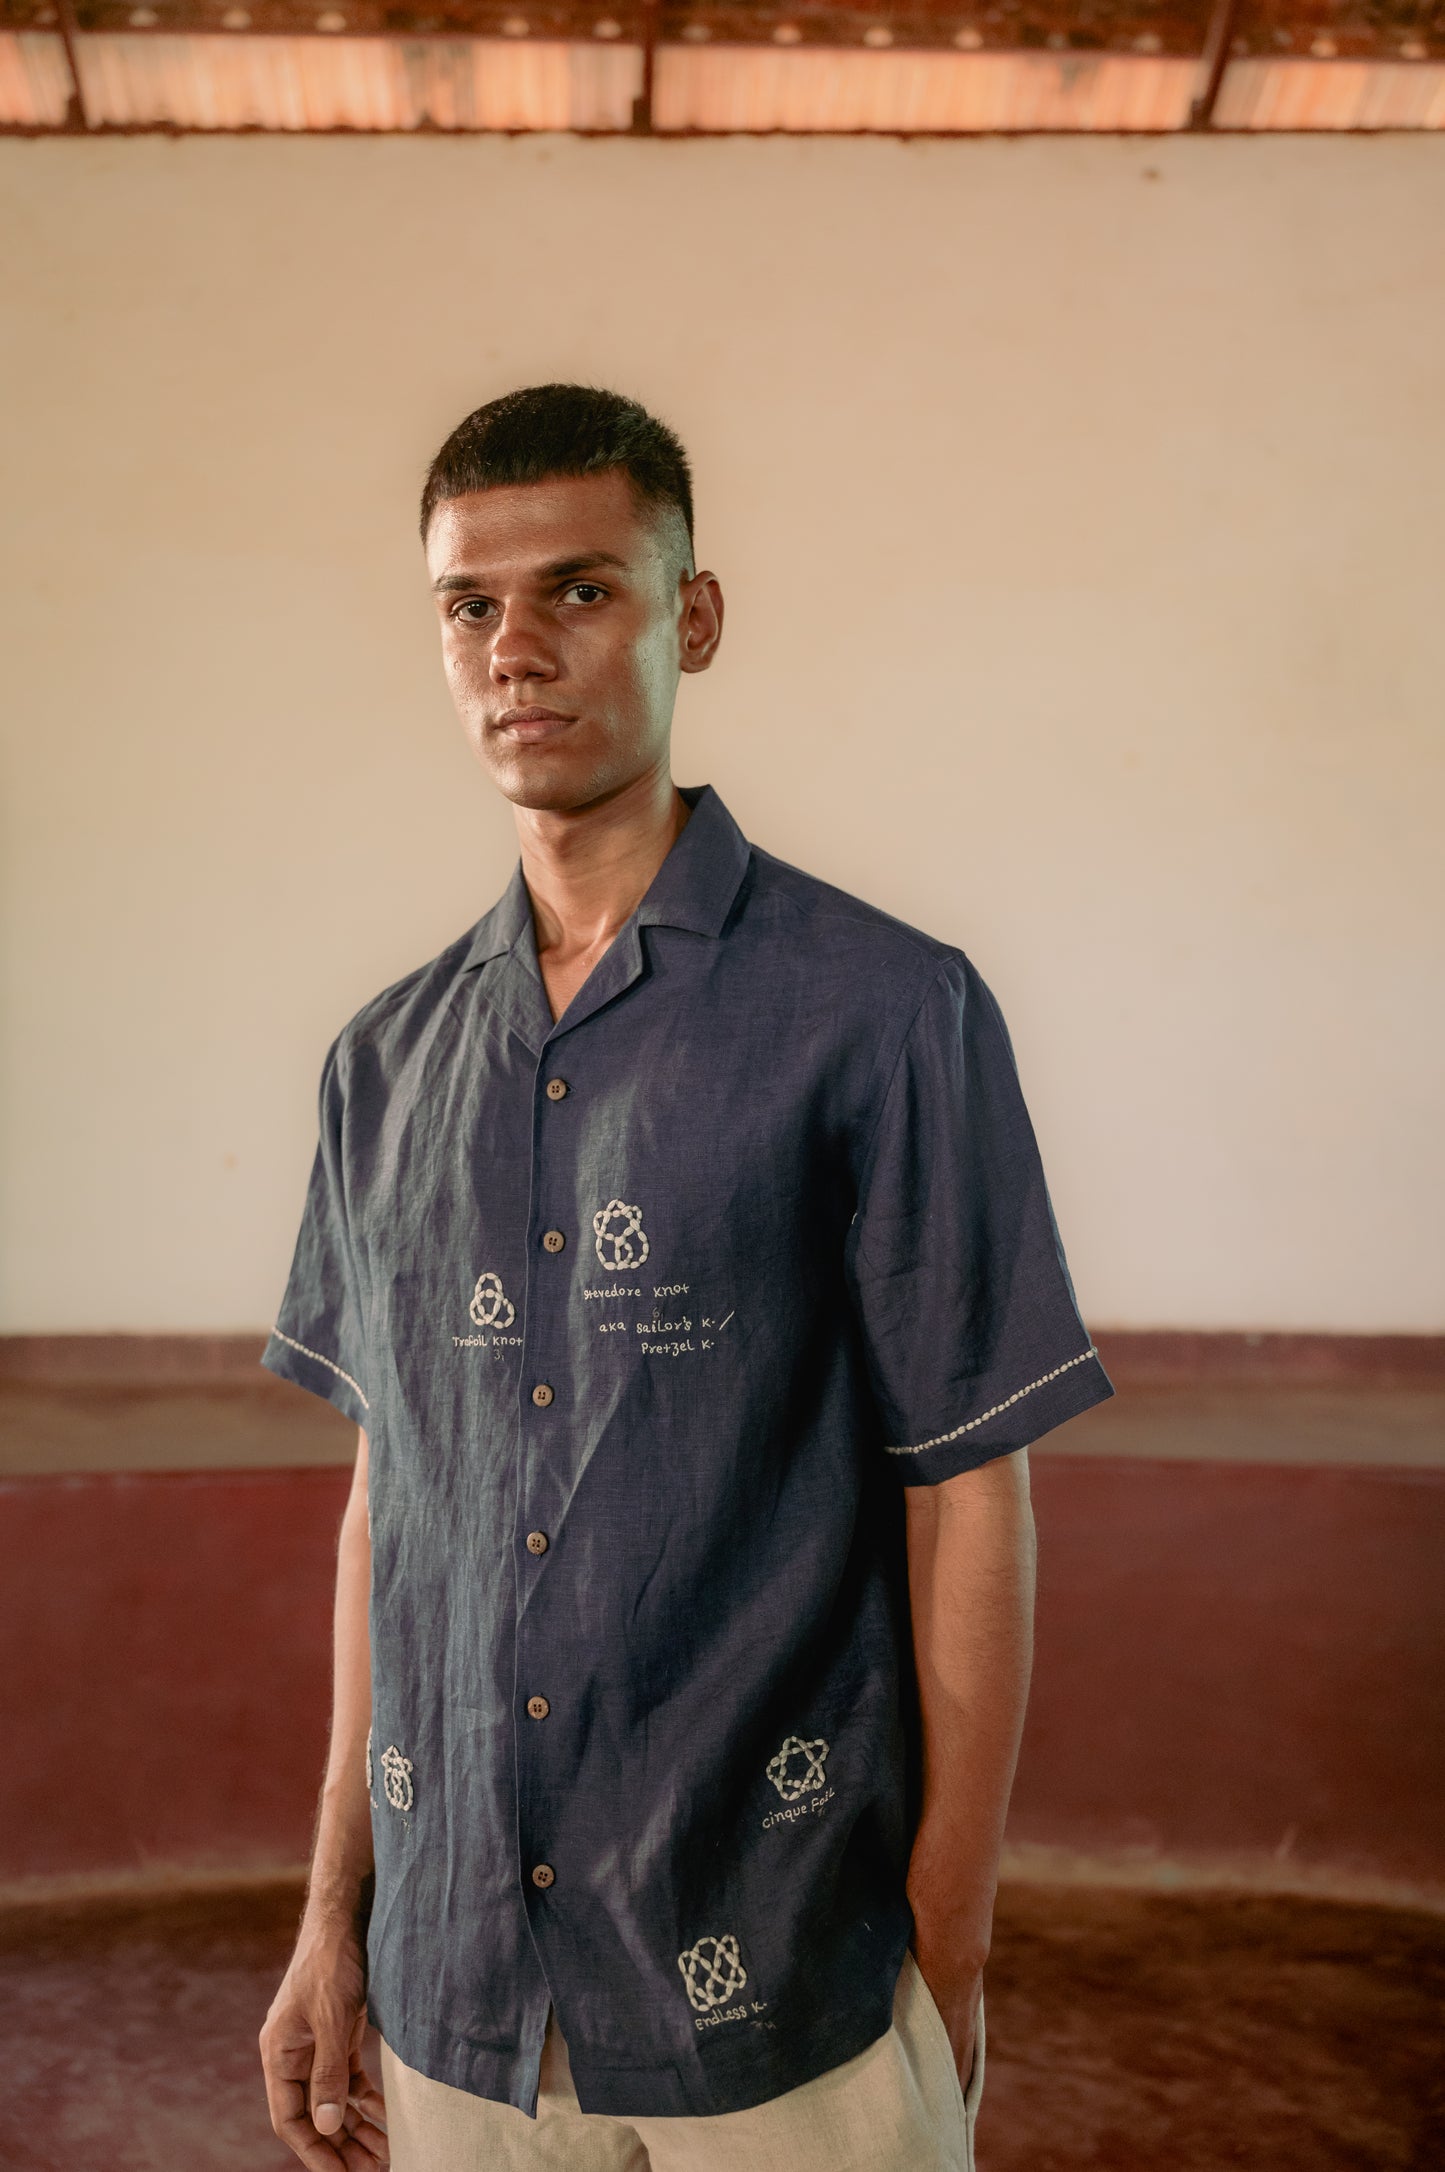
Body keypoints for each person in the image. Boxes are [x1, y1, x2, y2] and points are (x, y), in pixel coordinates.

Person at [258, 383, 1113, 2172]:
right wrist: (336, 1912)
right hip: (456, 2004)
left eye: (580, 592)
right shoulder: (383, 1064)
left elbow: (968, 1495)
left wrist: (941, 1944)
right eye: (468, 607)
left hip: (787, 1988)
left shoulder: (881, 1015)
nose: (517, 651)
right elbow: (386, 1513)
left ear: (690, 617)